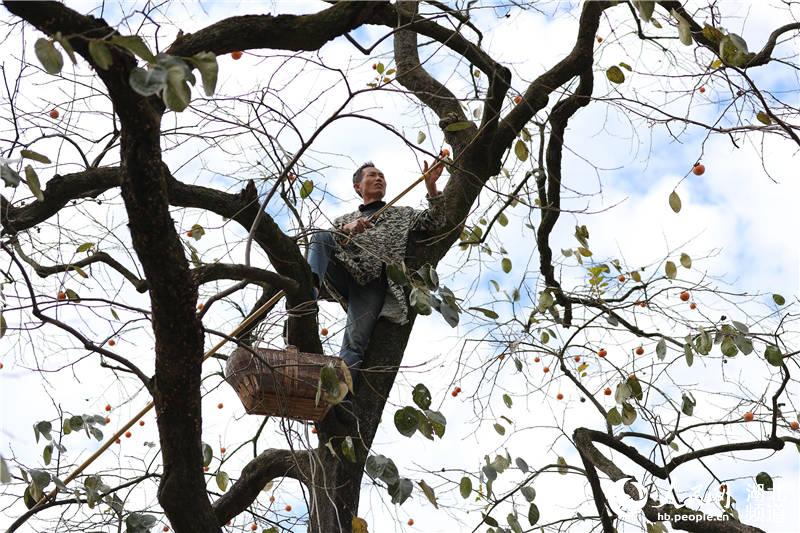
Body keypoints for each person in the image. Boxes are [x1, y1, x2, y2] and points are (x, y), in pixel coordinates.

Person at [306, 157, 447, 368]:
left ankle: (341, 397)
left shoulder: (402, 213)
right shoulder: (344, 219)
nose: (379, 178)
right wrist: (347, 229)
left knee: (354, 344)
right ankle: (308, 294)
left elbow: (436, 221)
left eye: (381, 175)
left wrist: (432, 187)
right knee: (320, 236)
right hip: (346, 272)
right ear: (358, 186)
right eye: (372, 175)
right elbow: (330, 243)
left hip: (372, 282)